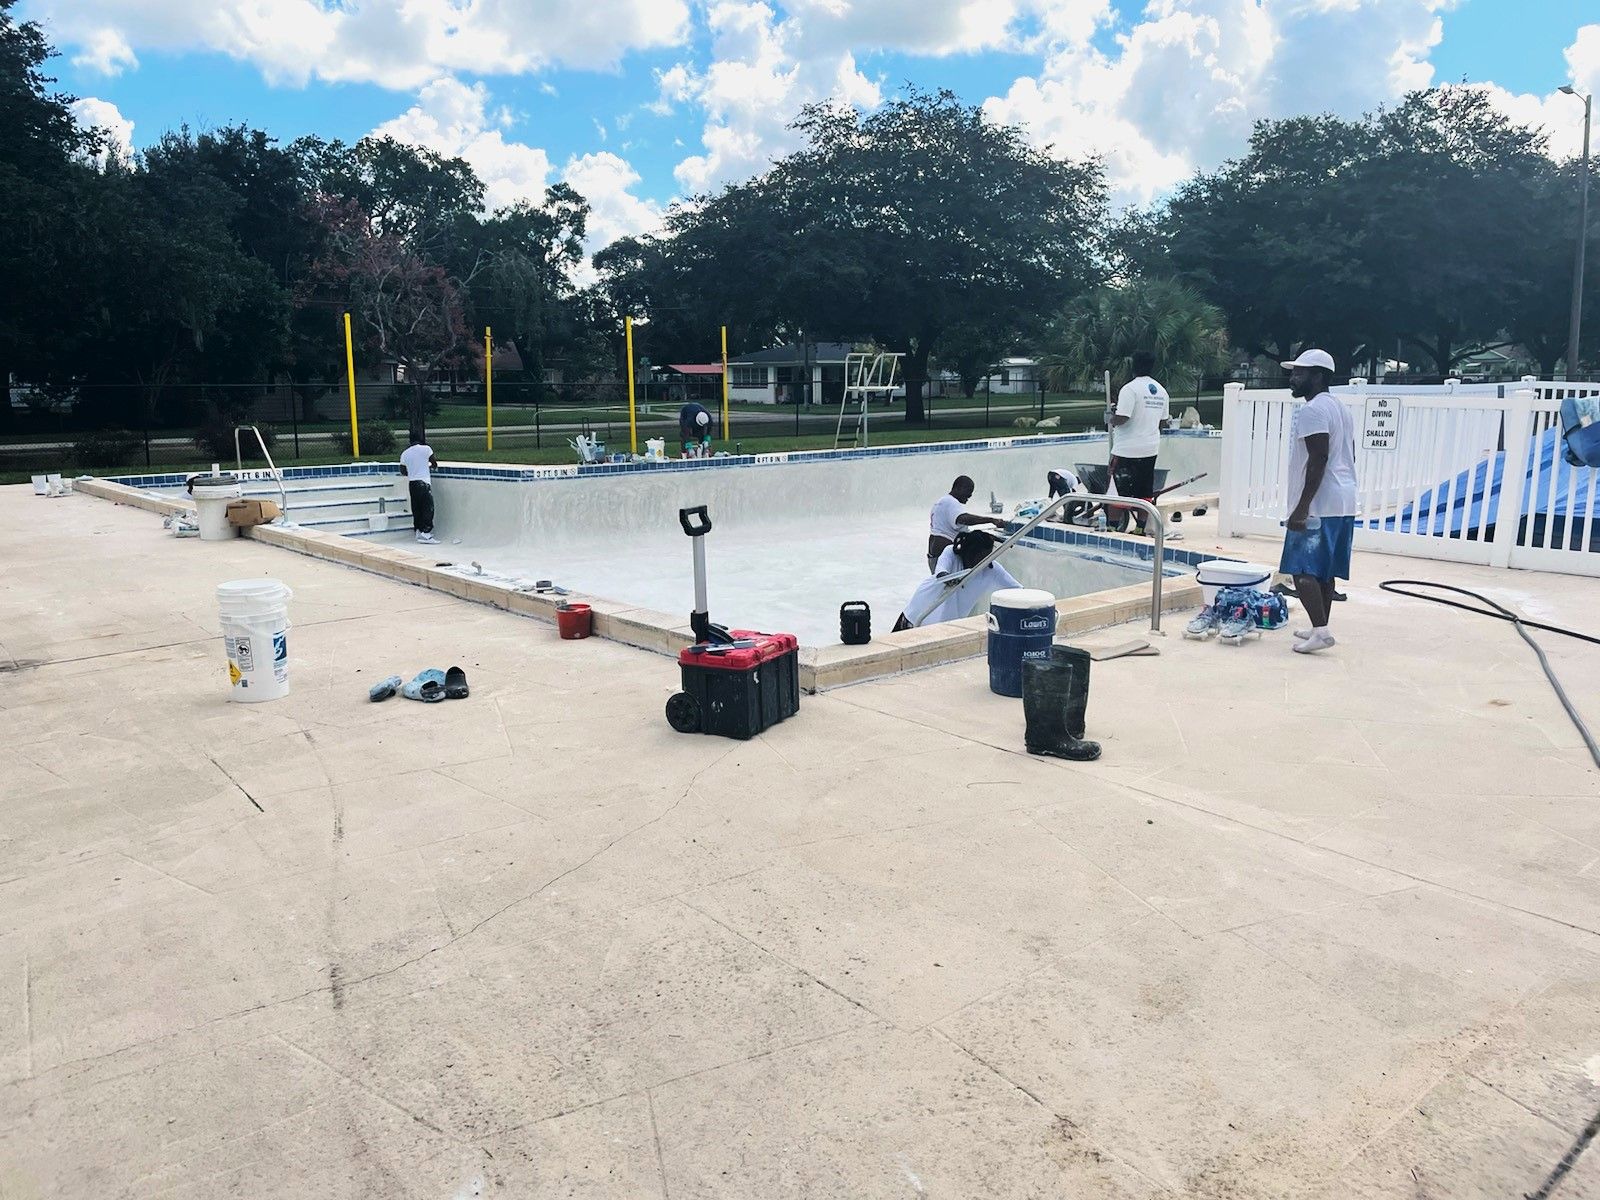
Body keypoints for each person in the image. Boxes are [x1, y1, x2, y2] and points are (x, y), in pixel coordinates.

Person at [1279, 348, 1358, 655]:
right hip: (1342, 499)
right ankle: (1318, 626)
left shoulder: (1312, 411)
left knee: (1301, 568)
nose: (1292, 378)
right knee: (1325, 570)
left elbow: (1318, 458)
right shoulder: (1339, 408)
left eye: (1299, 373)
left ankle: (1322, 632)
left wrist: (1301, 507)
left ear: (1318, 376)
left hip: (1320, 503)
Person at [894, 529, 1021, 630]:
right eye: (980, 556)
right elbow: (941, 571)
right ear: (969, 552)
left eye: (988, 556)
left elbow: (1018, 590)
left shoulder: (991, 568)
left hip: (946, 624)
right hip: (918, 613)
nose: (984, 561)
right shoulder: (951, 553)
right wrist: (948, 579)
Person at [1108, 350, 1170, 534]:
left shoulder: (1130, 389)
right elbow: (1163, 421)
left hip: (1126, 449)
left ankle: (1112, 527)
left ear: (1133, 366)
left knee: (1118, 490)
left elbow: (1123, 418)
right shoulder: (1161, 391)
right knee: (1145, 490)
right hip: (1150, 448)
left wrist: (1111, 418)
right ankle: (1140, 528)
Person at [928, 475, 1006, 571]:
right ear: (959, 488)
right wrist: (991, 520)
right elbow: (964, 519)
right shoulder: (951, 502)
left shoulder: (941, 502)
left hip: (935, 556)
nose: (970, 496)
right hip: (944, 558)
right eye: (969, 492)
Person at [400, 432, 439, 544]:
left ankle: (418, 530)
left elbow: (402, 471)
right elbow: (434, 463)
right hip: (424, 482)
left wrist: (412, 473)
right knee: (427, 507)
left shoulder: (405, 453)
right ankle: (426, 533)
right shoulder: (426, 449)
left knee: (416, 508)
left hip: (412, 483)